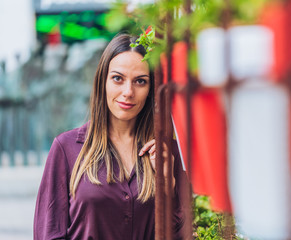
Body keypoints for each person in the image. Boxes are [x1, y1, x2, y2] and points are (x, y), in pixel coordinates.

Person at [34, 34, 187, 240]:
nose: (128, 92)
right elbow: (49, 233)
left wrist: (168, 185)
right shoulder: (66, 148)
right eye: (118, 78)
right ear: (102, 82)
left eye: (140, 81)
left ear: (150, 90)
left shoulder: (167, 152)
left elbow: (182, 234)